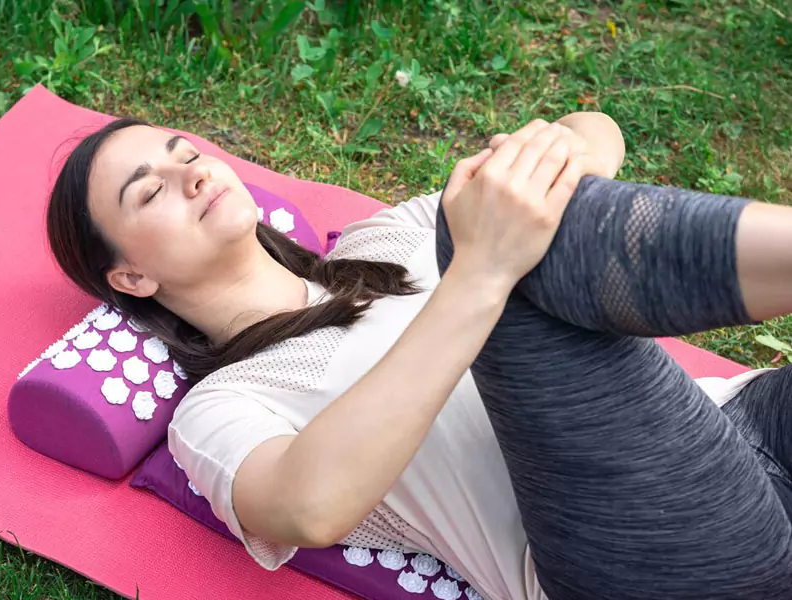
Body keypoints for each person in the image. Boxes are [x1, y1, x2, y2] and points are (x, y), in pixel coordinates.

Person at [46, 114, 792, 599]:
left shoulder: (386, 238)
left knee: (510, 222)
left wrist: (559, 156)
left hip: (736, 422)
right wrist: (481, 272)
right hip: (651, 556)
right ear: (132, 278)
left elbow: (592, 129)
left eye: (186, 154)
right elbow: (309, 507)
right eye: (152, 192)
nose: (196, 173)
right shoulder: (221, 408)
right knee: (504, 248)